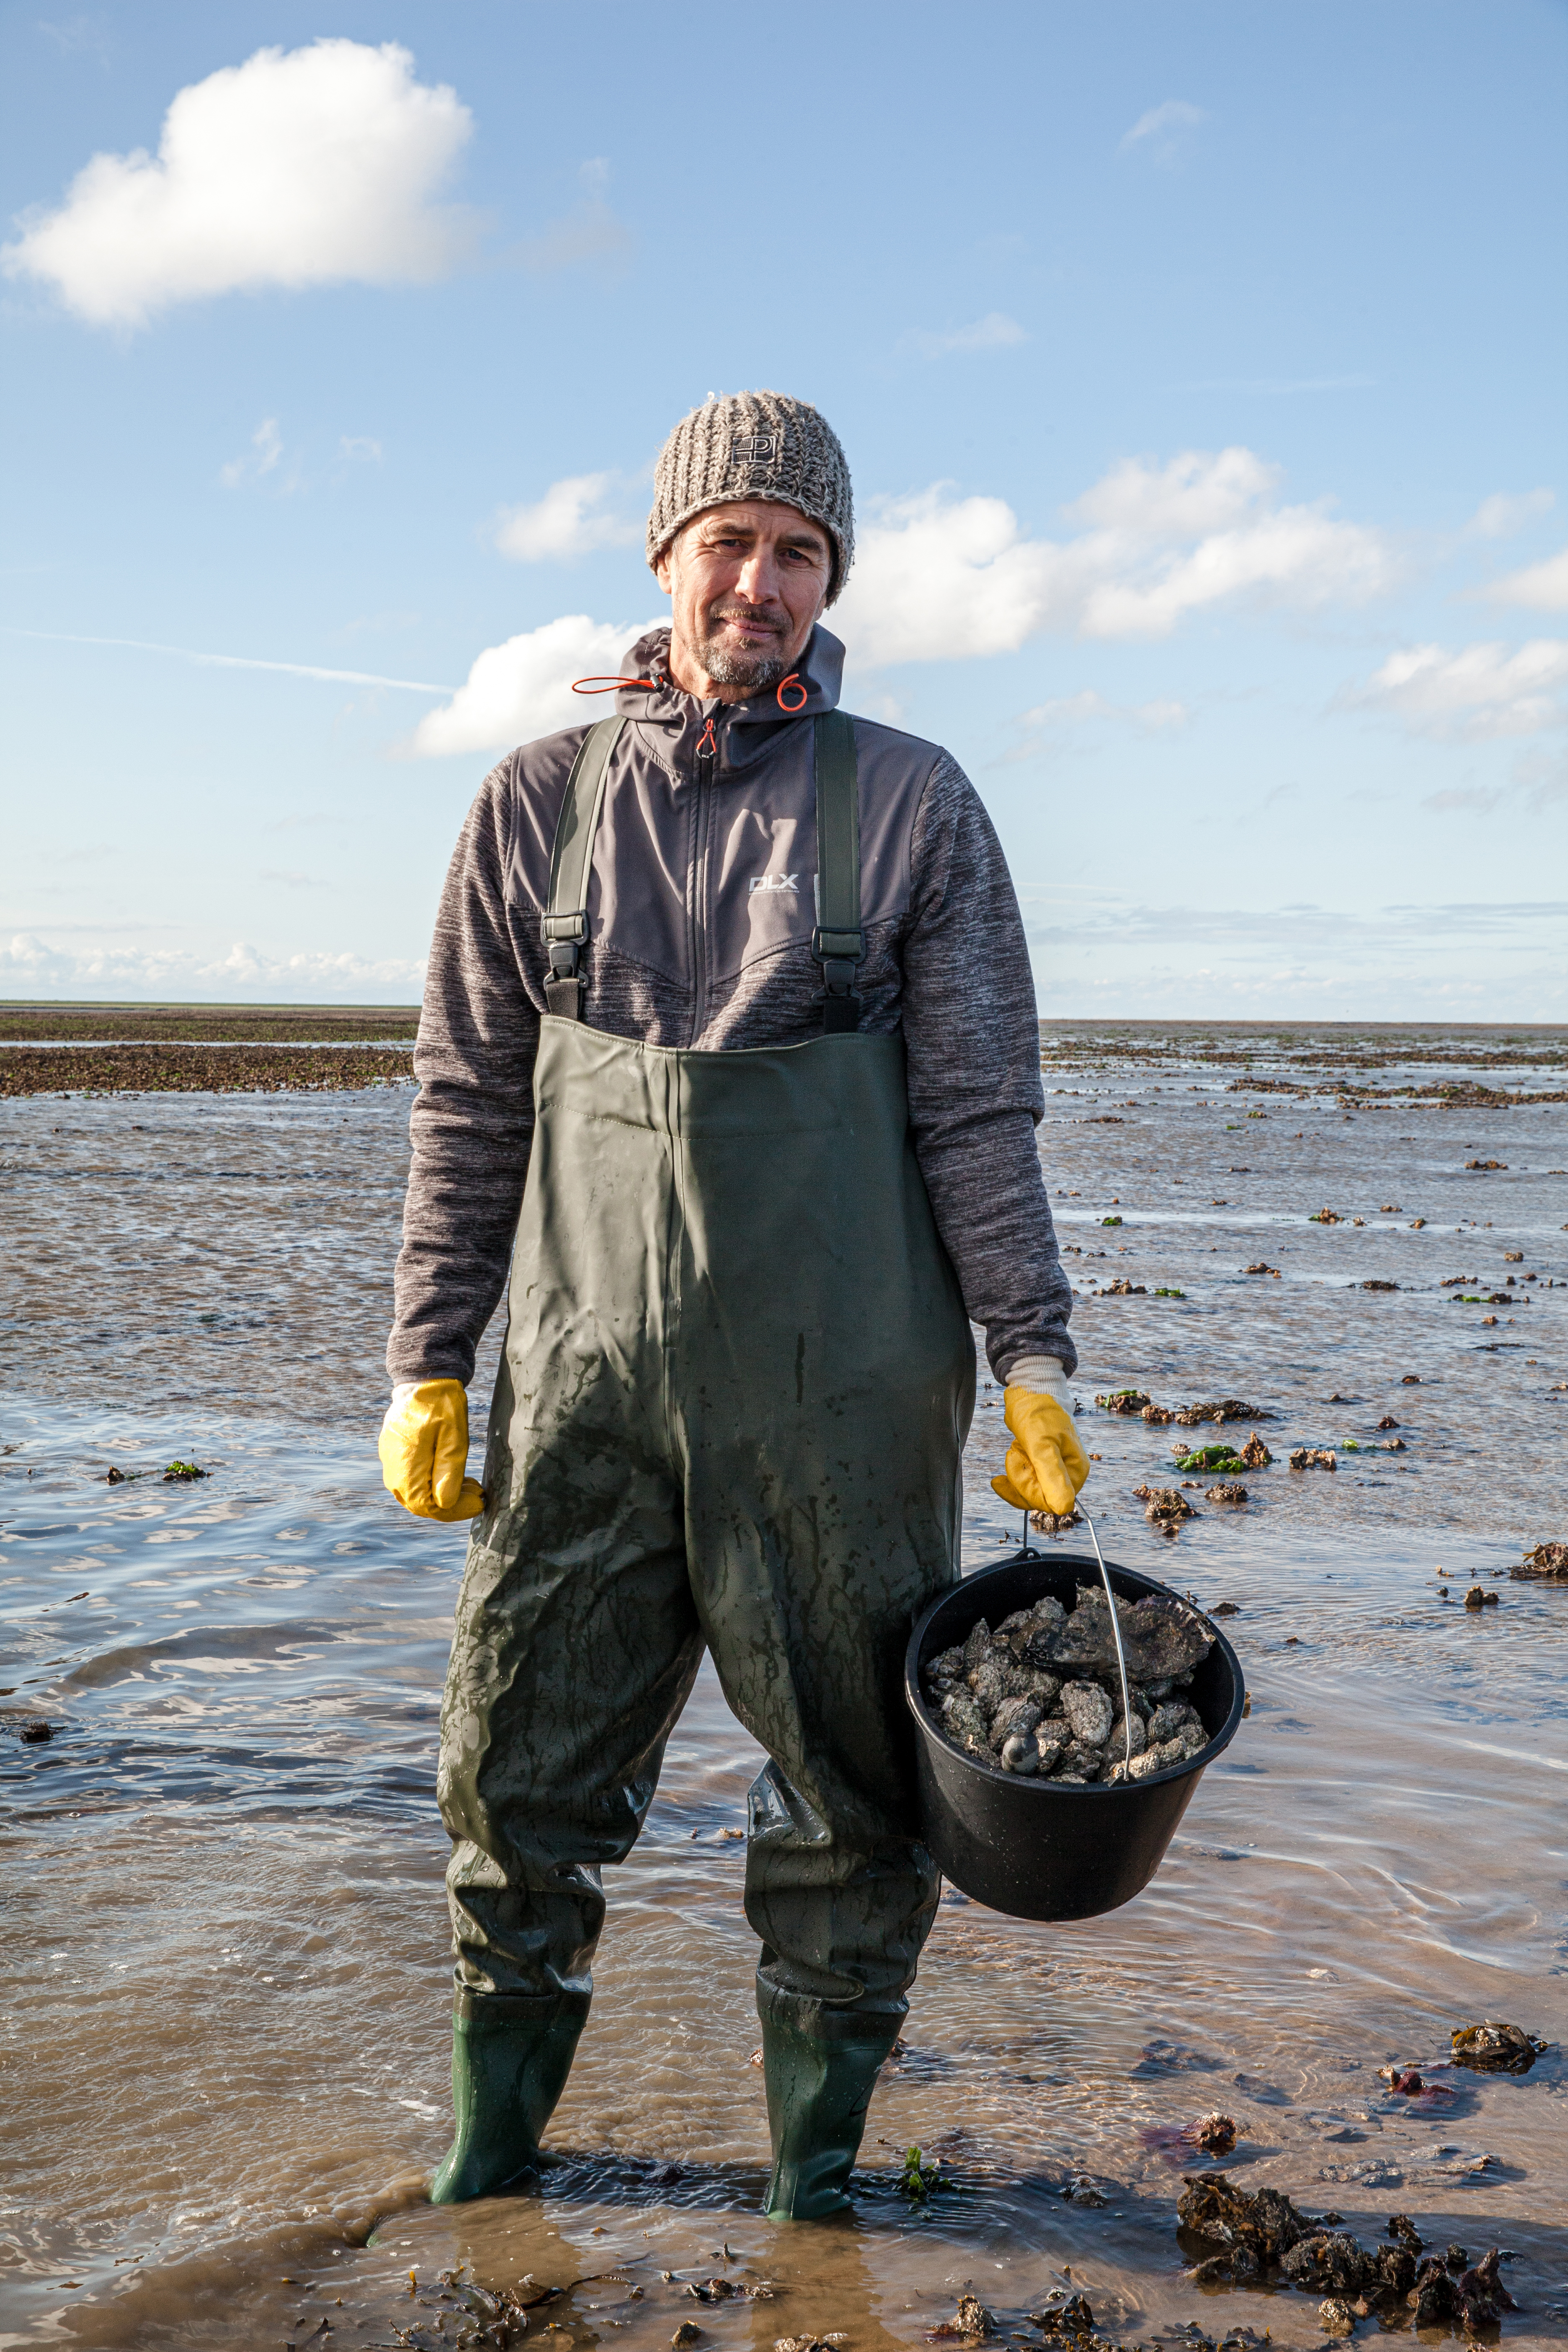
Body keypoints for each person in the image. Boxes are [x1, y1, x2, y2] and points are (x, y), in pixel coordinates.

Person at [379, 390, 1087, 2218]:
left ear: (830, 578)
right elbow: (466, 1103)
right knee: (514, 1770)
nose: (757, 581)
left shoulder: (914, 804)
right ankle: (490, 2158)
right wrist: (427, 1364)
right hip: (583, 1387)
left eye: (796, 551)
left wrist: (1033, 1354)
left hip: (842, 1395)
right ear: (663, 558)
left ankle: (813, 2193)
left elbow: (976, 1108)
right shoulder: (534, 805)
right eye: (730, 543)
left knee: (857, 1802)